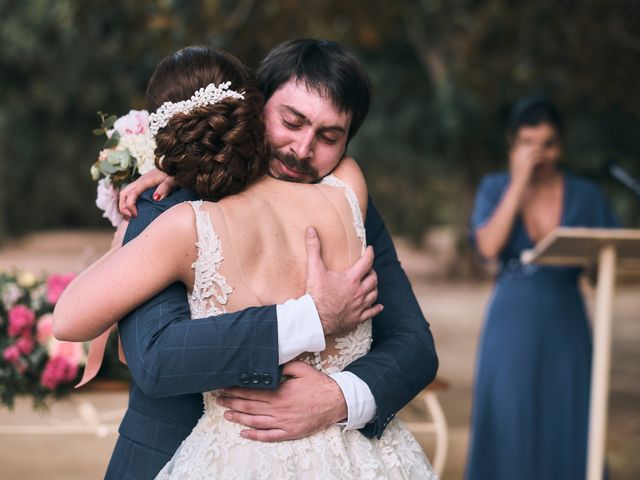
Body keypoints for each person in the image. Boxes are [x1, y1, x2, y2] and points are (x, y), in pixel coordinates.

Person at [55, 41, 438, 479]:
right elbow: (155, 359)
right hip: (176, 452)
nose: (302, 149)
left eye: (330, 137)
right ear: (256, 103)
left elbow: (413, 344)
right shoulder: (166, 201)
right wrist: (311, 318)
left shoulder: (348, 198)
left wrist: (339, 398)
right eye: (291, 122)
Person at [465, 95, 618, 480]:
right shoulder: (495, 186)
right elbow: (487, 248)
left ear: (561, 144)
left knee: (567, 412)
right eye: (528, 143)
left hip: (565, 317)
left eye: (547, 143)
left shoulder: (586, 195)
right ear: (512, 145)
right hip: (511, 323)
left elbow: (606, 270)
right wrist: (518, 183)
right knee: (510, 414)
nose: (540, 153)